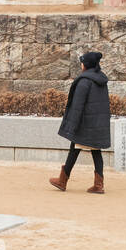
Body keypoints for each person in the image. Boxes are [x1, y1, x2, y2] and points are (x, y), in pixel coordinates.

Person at [49, 51, 111, 194]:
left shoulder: (84, 81)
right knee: (96, 151)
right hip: (97, 124)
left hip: (85, 124)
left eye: (82, 62)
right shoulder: (101, 80)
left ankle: (62, 180)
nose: (81, 65)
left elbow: (77, 106)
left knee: (74, 148)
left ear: (86, 65)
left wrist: (72, 126)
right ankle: (98, 185)